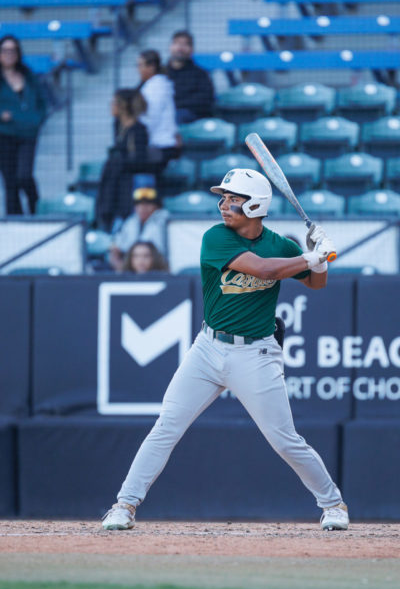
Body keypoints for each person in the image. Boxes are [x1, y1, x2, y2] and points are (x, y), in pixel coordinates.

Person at [100, 168, 349, 532]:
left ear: (256, 206)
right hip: (208, 347)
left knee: (284, 440)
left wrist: (319, 255)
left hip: (257, 354)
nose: (224, 205)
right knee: (167, 425)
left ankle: (333, 504)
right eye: (224, 198)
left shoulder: (281, 245)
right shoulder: (216, 238)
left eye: (234, 200)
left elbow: (316, 284)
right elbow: (263, 271)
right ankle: (124, 505)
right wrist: (312, 257)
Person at [0, 35, 49, 215]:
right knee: (10, 183)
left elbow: (43, 102)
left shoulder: (29, 75)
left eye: (13, 50)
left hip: (27, 133)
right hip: (2, 135)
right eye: (5, 50)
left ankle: (36, 211)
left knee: (24, 176)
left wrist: (37, 120)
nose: (9, 54)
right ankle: (14, 220)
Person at [96, 89, 156, 232]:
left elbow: (140, 161)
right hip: (114, 179)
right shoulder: (118, 126)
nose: (111, 106)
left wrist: (119, 162)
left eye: (114, 103)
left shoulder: (139, 130)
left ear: (123, 106)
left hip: (127, 182)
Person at [109, 186, 169, 272]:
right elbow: (116, 248)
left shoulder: (164, 221)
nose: (143, 208)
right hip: (132, 269)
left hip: (157, 268)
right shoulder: (130, 222)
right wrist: (121, 267)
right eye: (139, 204)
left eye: (148, 204)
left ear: (157, 206)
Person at [137, 49, 179, 165]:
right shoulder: (152, 85)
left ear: (151, 67)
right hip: (158, 144)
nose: (138, 69)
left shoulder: (156, 87)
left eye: (141, 65)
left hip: (161, 145)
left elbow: (151, 117)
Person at [165, 30, 215, 124]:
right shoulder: (161, 74)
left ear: (191, 49)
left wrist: (175, 104)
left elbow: (205, 100)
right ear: (170, 47)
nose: (180, 48)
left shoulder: (200, 74)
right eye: (177, 43)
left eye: (185, 45)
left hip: (189, 117)